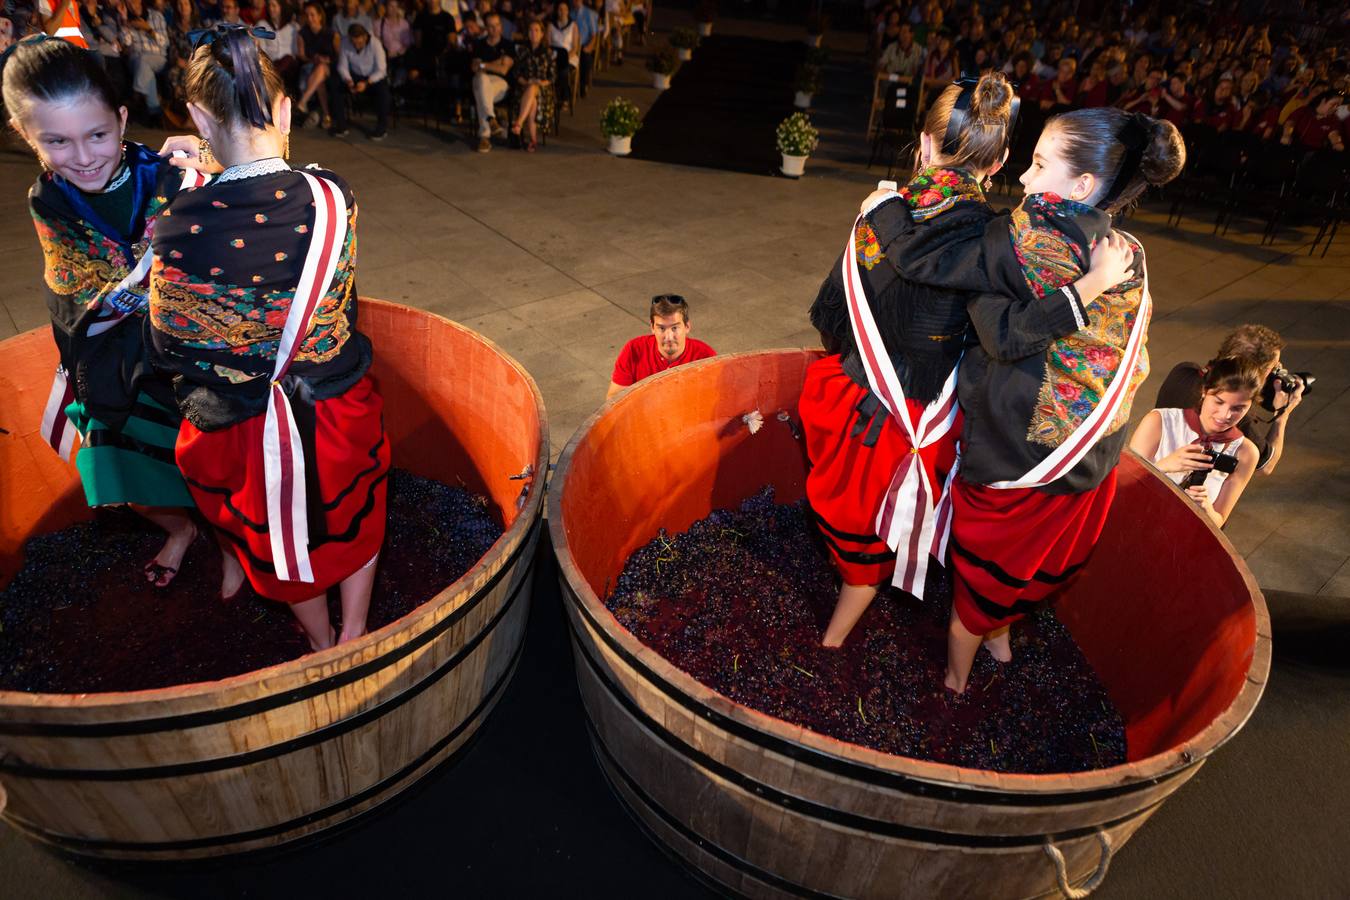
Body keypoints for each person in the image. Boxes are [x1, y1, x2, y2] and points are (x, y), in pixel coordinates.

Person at [152, 24, 390, 651]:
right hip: (333, 403)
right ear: (285, 109)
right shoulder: (334, 196)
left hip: (242, 426)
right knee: (354, 511)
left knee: (278, 540)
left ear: (199, 118)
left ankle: (318, 643)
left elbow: (168, 344)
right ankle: (356, 630)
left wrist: (196, 174)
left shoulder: (175, 226)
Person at [940, 108, 1184, 693]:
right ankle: (997, 632)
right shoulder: (1128, 253)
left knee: (986, 569)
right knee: (1024, 568)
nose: (1023, 177)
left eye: (1040, 164)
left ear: (1081, 185)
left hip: (1022, 450)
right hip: (1089, 455)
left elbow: (1000, 335)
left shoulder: (1013, 240)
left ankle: (954, 680)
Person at [800, 73, 1020, 649]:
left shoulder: (879, 214)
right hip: (941, 425)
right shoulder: (1001, 242)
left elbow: (833, 318)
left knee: (858, 528)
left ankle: (836, 634)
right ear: (997, 166)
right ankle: (990, 631)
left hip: (864, 409)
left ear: (923, 143)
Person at [2, 34, 215, 590]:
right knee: (110, 457)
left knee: (221, 442)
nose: (84, 157)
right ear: (26, 136)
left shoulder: (171, 174)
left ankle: (236, 541)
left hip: (191, 344)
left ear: (122, 118)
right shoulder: (47, 199)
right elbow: (78, 288)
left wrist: (213, 161)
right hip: (114, 350)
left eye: (97, 134)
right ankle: (180, 529)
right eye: (57, 141)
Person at [1153, 324, 1304, 475]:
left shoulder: (1182, 370)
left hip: (1154, 467)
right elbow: (1265, 467)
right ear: (1254, 371)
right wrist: (1282, 413)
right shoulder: (1231, 414)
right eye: (1273, 368)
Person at [1130, 357, 1261, 528]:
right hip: (1135, 522)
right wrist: (1163, 466)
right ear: (1204, 391)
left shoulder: (1246, 453)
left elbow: (1219, 521)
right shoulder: (1159, 421)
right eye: (1219, 402)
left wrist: (1207, 509)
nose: (1225, 415)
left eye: (1238, 408)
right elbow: (1122, 486)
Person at [607, 294, 715, 398]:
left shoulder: (705, 357)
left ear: (687, 326)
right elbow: (614, 400)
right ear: (652, 328)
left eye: (674, 328)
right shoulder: (634, 350)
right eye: (661, 328)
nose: (668, 337)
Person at [330, 22, 391, 139]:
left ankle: (381, 129)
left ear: (365, 37)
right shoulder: (345, 43)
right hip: (354, 76)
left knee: (383, 92)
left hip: (372, 77)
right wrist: (348, 80)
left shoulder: (375, 45)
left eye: (359, 42)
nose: (356, 45)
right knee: (335, 84)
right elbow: (342, 66)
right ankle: (341, 126)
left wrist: (367, 83)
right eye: (354, 42)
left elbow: (382, 70)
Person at [470, 11, 513, 152]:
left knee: (481, 88)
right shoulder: (479, 44)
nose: (494, 29)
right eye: (490, 26)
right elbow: (475, 67)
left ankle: (484, 136)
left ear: (501, 26)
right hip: (481, 81)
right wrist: (496, 63)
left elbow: (504, 70)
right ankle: (491, 119)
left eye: (497, 25)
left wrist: (484, 64)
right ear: (486, 28)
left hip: (500, 85)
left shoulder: (508, 45)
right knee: (482, 80)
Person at [511, 17, 554, 152]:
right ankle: (533, 140)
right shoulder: (522, 50)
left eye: (536, 30)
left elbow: (553, 77)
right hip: (524, 87)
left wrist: (541, 82)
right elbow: (516, 73)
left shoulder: (548, 52)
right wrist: (527, 82)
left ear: (542, 34)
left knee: (534, 89)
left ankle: (518, 124)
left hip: (544, 90)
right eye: (530, 30)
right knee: (532, 97)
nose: (533, 33)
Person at [296, 0, 338, 129]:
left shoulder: (332, 34)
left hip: (330, 67)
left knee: (321, 67)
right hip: (311, 67)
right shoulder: (302, 34)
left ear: (320, 16)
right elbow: (302, 56)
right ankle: (326, 115)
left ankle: (303, 101)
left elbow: (339, 56)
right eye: (307, 15)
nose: (309, 18)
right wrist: (313, 59)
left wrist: (327, 60)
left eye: (312, 14)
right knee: (319, 79)